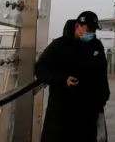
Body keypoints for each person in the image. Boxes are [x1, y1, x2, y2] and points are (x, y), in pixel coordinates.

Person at [35, 12, 109, 142]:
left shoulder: (96, 45)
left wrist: (103, 96)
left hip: (88, 115)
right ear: (77, 26)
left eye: (93, 30)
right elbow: (40, 68)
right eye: (88, 29)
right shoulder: (59, 45)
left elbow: (102, 71)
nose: (91, 33)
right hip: (62, 115)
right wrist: (62, 79)